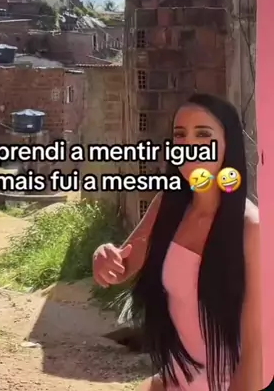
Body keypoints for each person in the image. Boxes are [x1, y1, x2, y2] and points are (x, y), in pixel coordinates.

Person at [92, 93, 262, 391]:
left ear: (228, 145)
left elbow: (256, 349)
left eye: (203, 134)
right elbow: (121, 267)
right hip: (178, 374)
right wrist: (103, 256)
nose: (189, 145)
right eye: (180, 135)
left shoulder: (250, 229)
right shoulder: (166, 205)